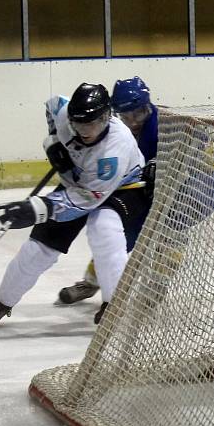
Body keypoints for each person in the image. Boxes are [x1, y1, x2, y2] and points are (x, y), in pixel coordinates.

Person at [0, 82, 148, 326]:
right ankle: (3, 301)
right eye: (78, 124)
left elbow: (86, 200)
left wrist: (40, 209)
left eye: (92, 124)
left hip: (121, 189)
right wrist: (54, 142)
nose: (85, 131)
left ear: (106, 117)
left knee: (105, 231)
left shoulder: (114, 149)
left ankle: (114, 305)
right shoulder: (64, 111)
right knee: (38, 248)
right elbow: (52, 104)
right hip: (80, 183)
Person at [56, 76, 158, 305]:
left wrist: (160, 168)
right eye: (126, 116)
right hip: (144, 189)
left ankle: (156, 289)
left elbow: (189, 156)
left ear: (147, 106)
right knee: (117, 236)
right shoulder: (114, 131)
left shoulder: (163, 124)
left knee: (171, 234)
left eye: (138, 114)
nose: (133, 121)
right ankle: (91, 283)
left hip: (191, 186)